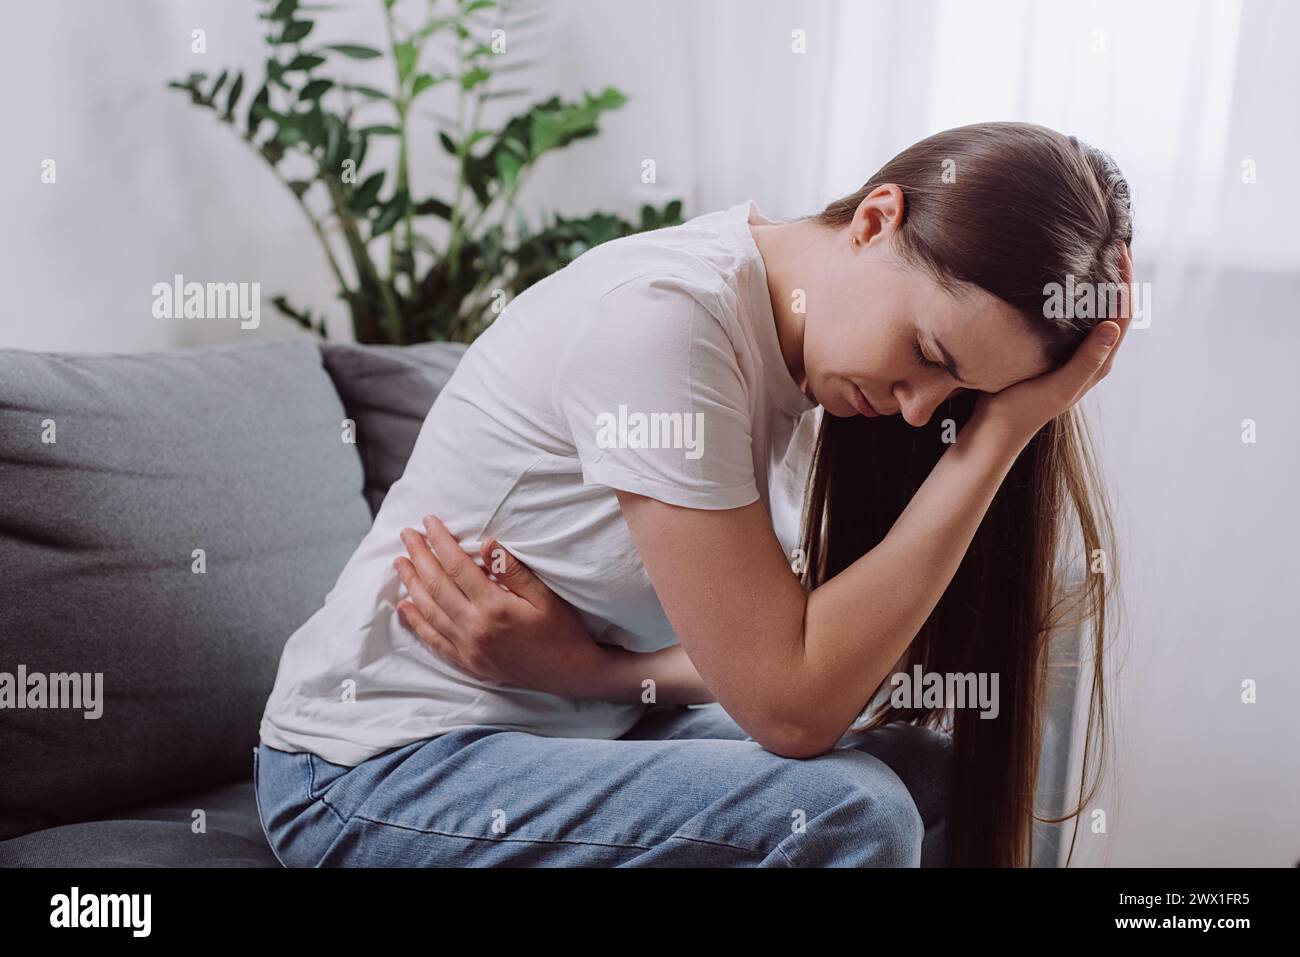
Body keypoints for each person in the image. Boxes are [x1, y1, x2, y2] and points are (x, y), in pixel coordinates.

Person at [256, 121, 1133, 867]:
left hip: (572, 728)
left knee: (931, 773)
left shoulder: (806, 366)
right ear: (876, 219)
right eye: (932, 356)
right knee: (853, 814)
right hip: (370, 765)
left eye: (961, 400)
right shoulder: (668, 321)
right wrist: (998, 438)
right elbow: (791, 707)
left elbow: (778, 660)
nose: (919, 413)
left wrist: (593, 672)